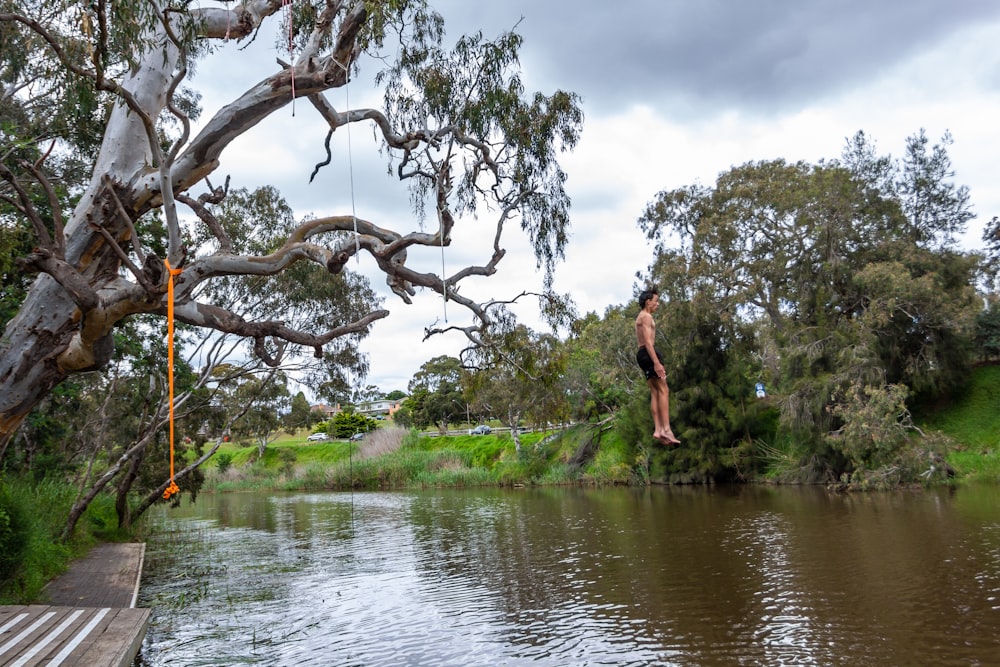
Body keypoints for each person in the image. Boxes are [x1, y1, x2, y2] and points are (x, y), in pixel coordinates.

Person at [635, 288, 680, 445]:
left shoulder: (640, 317)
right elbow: (648, 342)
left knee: (655, 391)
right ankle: (667, 430)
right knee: (664, 390)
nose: (658, 304)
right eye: (656, 301)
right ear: (648, 302)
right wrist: (656, 363)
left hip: (642, 355)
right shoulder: (646, 317)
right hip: (648, 354)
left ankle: (658, 429)